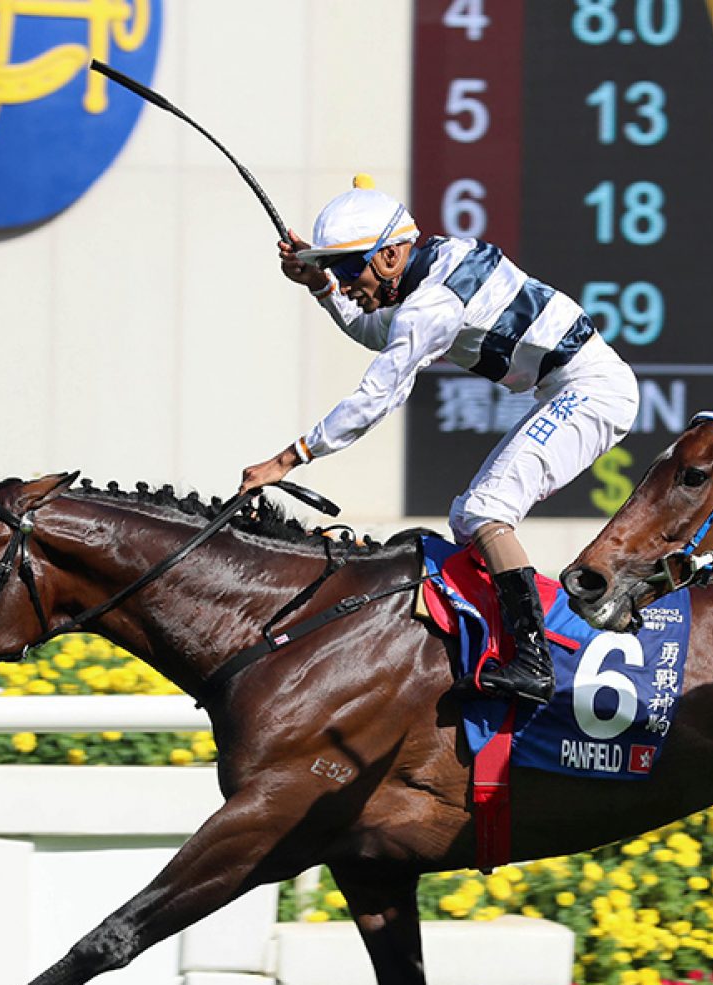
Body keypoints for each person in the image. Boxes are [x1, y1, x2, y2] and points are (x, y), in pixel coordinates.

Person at [239, 177, 640, 706]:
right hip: (573, 387)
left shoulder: (433, 304)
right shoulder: (434, 264)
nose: (345, 282)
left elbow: (378, 393)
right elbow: (380, 330)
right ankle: (505, 645)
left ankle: (535, 662)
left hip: (592, 391)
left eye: (347, 269)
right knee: (469, 517)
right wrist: (321, 286)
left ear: (388, 257)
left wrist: (289, 459)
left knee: (485, 510)